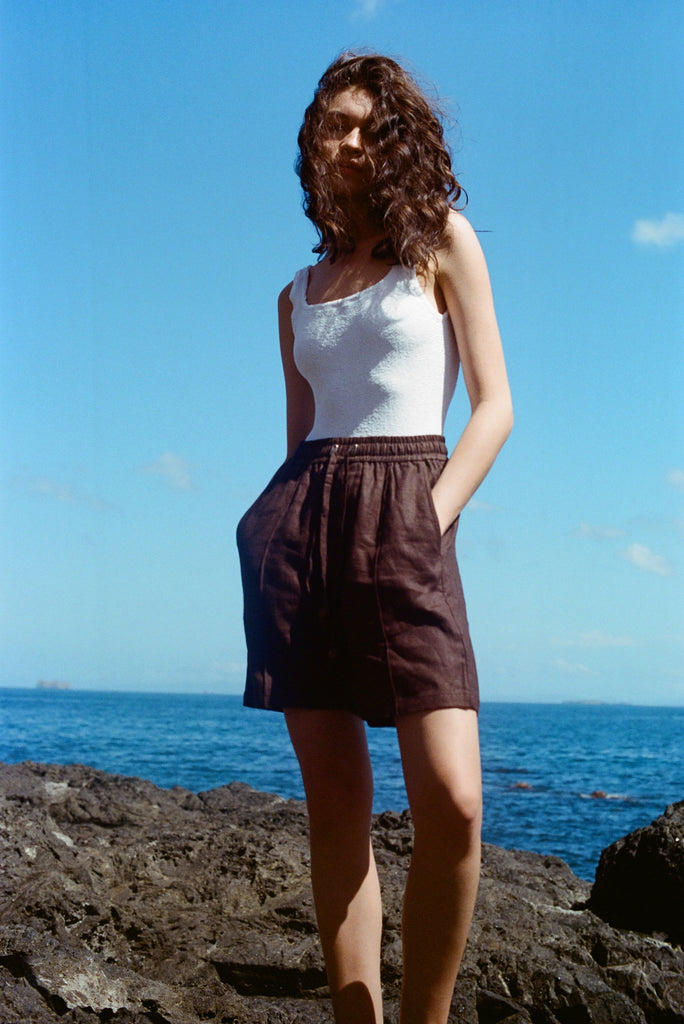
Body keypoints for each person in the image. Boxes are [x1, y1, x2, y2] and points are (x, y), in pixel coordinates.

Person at [236, 52, 513, 1024]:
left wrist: (424, 527)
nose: (343, 139)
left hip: (408, 506)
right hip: (302, 522)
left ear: (393, 136)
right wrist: (273, 530)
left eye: (363, 124)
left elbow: (495, 409)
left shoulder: (442, 240)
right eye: (329, 123)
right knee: (337, 808)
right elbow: (295, 438)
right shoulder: (296, 294)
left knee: (456, 802)